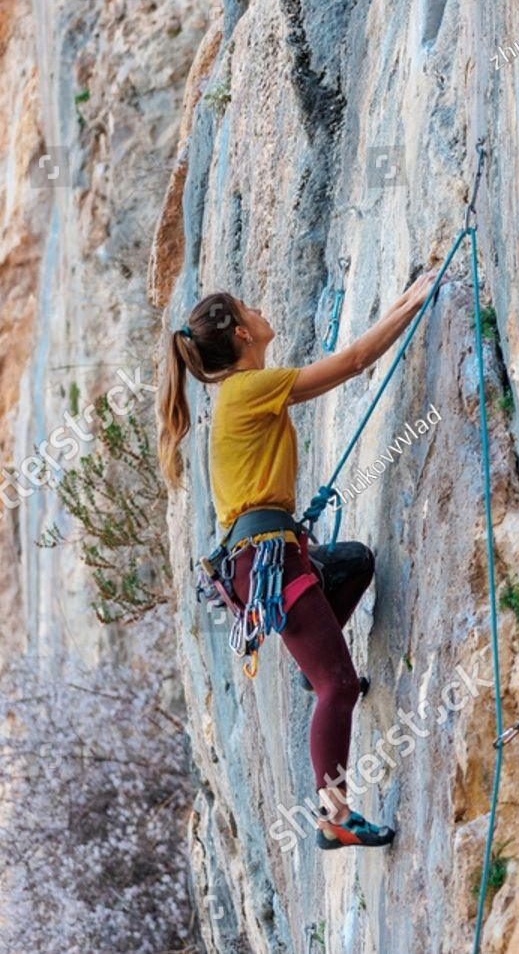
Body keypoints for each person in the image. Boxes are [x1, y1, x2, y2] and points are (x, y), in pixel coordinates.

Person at [157, 271, 436, 850]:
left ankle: (313, 665)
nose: (261, 309)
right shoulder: (245, 388)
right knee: (338, 687)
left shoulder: (243, 390)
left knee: (355, 562)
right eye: (248, 307)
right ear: (240, 331)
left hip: (270, 555)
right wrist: (413, 298)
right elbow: (355, 360)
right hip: (267, 562)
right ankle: (332, 814)